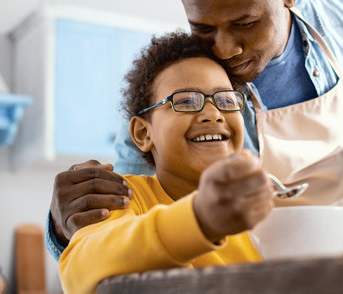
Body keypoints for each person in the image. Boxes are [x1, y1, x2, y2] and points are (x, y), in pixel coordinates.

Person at [46, 0, 343, 260]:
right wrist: (63, 228)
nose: (225, 49)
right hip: (259, 266)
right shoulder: (183, 85)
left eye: (245, 23)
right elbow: (120, 223)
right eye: (202, 28)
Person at [59, 31, 274, 294]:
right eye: (185, 101)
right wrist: (201, 219)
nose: (213, 114)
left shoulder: (263, 211)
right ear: (143, 133)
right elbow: (78, 270)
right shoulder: (124, 196)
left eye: (227, 101)